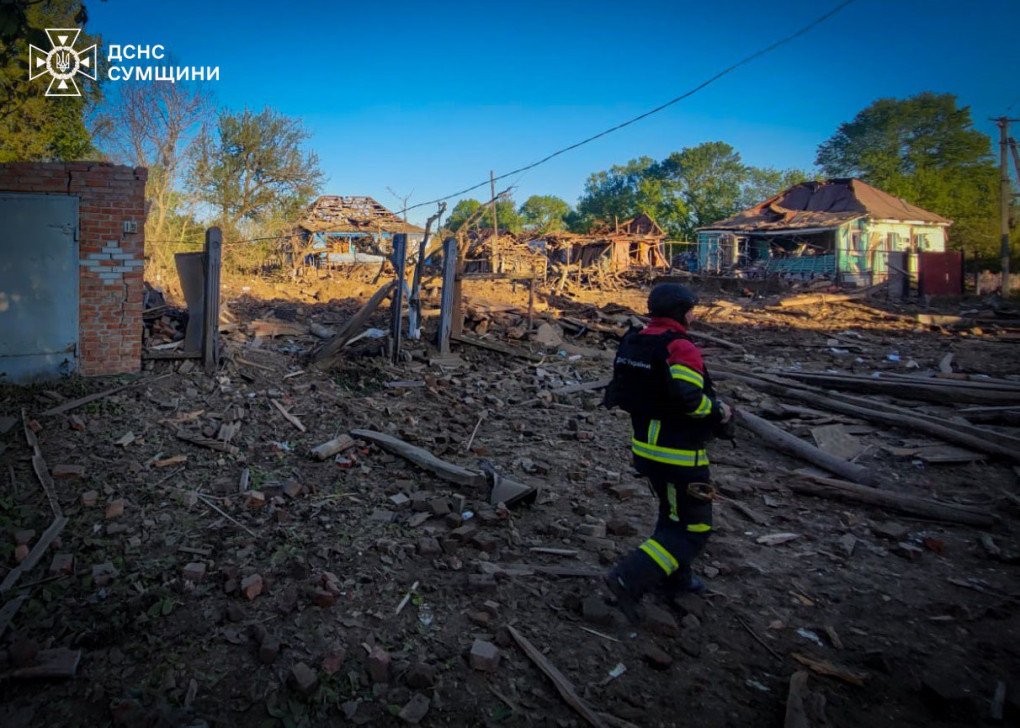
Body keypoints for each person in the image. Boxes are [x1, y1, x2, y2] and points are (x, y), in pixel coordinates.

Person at [602, 283, 732, 623]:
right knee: (692, 528)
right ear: (680, 311)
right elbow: (689, 400)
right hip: (679, 455)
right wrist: (719, 411)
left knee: (671, 516)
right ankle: (627, 577)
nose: (693, 316)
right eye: (691, 310)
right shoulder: (679, 346)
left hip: (645, 448)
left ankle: (677, 579)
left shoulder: (637, 341)